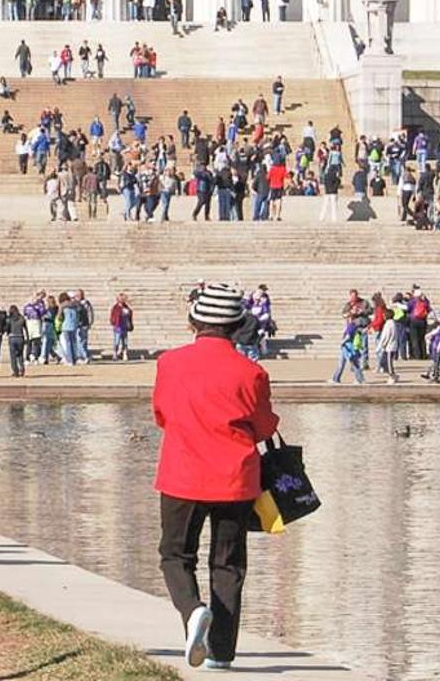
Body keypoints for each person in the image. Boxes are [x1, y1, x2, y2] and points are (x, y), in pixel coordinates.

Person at [152, 282, 280, 670]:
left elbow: (161, 415)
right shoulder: (252, 371)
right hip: (235, 478)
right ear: (238, 325)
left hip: (182, 474)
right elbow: (263, 427)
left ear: (194, 322)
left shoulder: (170, 363)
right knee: (228, 564)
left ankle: (192, 612)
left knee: (175, 554)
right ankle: (221, 652)